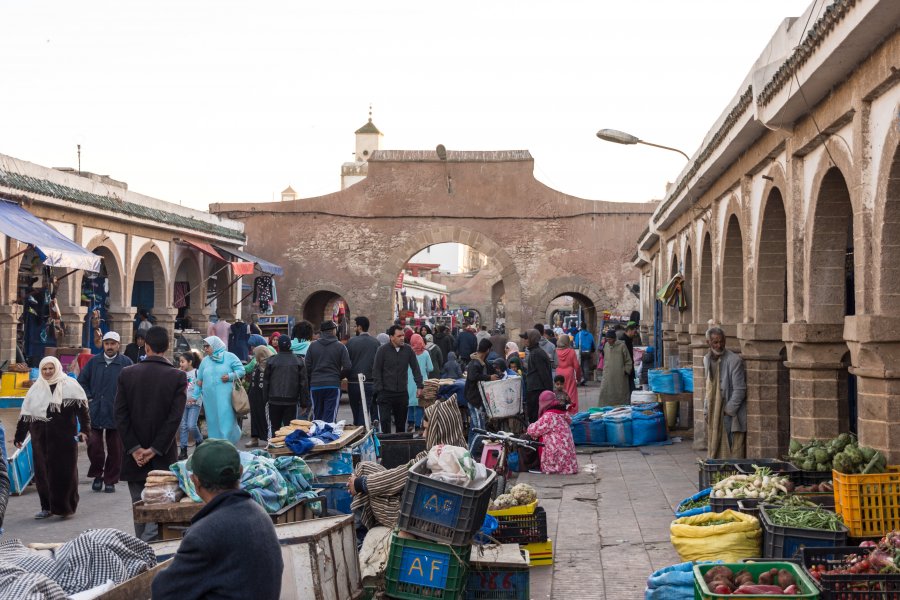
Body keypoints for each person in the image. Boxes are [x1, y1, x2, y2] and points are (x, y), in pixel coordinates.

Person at [151, 440, 283, 600]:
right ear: (240, 472)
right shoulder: (259, 514)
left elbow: (163, 591)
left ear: (195, 481)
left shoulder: (204, 534)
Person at [347, 398, 465, 530]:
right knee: (365, 469)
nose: (424, 434)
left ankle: (359, 531)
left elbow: (396, 478)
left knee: (366, 485)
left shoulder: (434, 458)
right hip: (429, 511)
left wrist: (359, 484)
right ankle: (359, 525)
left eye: (427, 429)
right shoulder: (462, 453)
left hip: (414, 518)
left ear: (438, 430)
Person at [115, 326, 187, 540]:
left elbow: (120, 415)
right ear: (167, 347)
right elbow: (174, 419)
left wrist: (135, 449)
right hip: (162, 456)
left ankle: (142, 549)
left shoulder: (128, 374)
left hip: (134, 457)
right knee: (161, 508)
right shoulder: (177, 377)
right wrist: (155, 449)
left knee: (140, 507)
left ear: (146, 346)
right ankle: (152, 550)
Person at [14, 356, 90, 518]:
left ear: (56, 368)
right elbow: (26, 415)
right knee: (42, 473)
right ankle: (46, 507)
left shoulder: (70, 385)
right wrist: (19, 436)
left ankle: (65, 507)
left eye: (50, 368)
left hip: (64, 437)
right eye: (44, 369)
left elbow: (82, 412)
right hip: (40, 437)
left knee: (65, 472)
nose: (48, 372)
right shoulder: (36, 388)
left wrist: (84, 430)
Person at [78, 330, 132, 493]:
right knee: (94, 445)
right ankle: (97, 475)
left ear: (118, 345)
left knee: (115, 449)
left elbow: (132, 385)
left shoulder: (126, 363)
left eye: (112, 344)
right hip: (94, 411)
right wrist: (89, 397)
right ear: (103, 344)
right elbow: (82, 381)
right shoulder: (94, 362)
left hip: (116, 412)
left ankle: (110, 479)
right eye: (107, 343)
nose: (109, 347)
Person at [704, 326, 747, 459]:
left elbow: (740, 389)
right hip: (713, 411)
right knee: (714, 445)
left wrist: (727, 410)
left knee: (729, 447)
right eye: (715, 342)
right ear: (708, 343)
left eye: (721, 341)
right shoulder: (706, 359)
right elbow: (708, 387)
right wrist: (707, 409)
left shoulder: (734, 360)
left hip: (727, 413)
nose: (719, 345)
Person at [372, 325, 423, 434]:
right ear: (391, 337)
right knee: (385, 422)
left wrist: (419, 386)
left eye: (403, 335)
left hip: (401, 393)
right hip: (385, 393)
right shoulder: (382, 350)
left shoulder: (408, 350)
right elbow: (376, 371)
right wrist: (380, 389)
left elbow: (416, 368)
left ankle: (400, 448)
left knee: (401, 424)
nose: (402, 338)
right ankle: (386, 448)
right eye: (399, 336)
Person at [195, 336, 244, 444]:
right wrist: (195, 396)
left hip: (225, 396)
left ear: (215, 345)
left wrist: (230, 376)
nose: (205, 349)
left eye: (208, 346)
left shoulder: (230, 357)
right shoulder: (205, 361)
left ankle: (227, 445)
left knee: (226, 420)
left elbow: (241, 370)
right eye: (204, 347)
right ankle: (216, 445)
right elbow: (199, 380)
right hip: (209, 398)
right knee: (213, 421)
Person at [304, 321, 351, 423]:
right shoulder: (340, 347)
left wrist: (314, 377)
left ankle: (317, 437)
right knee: (330, 417)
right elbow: (347, 367)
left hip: (316, 385)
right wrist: (338, 377)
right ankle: (328, 437)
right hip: (332, 385)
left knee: (317, 416)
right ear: (334, 331)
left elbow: (307, 367)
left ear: (321, 332)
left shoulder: (312, 346)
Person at [264, 335, 310, 436]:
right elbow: (303, 384)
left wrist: (265, 399)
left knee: (275, 428)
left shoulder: (271, 360)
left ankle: (275, 448)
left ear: (278, 345)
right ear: (290, 345)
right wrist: (304, 403)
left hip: (274, 399)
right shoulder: (298, 361)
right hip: (291, 400)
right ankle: (287, 448)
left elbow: (266, 382)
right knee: (290, 428)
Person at [525, 390, 578, 474]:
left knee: (528, 438)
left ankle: (532, 465)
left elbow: (532, 430)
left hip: (558, 462)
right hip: (569, 463)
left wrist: (531, 429)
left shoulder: (549, 416)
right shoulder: (560, 412)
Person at [346, 316, 380, 427]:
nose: (354, 328)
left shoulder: (351, 342)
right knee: (364, 411)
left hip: (353, 382)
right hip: (369, 381)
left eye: (355, 326)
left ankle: (358, 430)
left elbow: (346, 362)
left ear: (360, 327)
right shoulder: (375, 343)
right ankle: (362, 430)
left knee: (356, 411)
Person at [465, 339, 499, 445]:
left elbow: (491, 370)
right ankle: (477, 452)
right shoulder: (474, 363)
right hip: (474, 399)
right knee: (480, 428)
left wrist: (499, 373)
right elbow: (472, 376)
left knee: (474, 427)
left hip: (476, 398)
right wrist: (489, 377)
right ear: (487, 350)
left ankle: (471, 451)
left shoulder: (483, 363)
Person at [245, 344, 274, 448]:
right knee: (254, 418)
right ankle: (254, 439)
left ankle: (269, 440)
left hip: (264, 396)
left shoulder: (270, 364)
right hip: (254, 395)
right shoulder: (257, 364)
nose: (254, 356)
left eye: (255, 354)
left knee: (265, 418)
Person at [178, 352, 204, 460]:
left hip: (195, 404)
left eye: (183, 361)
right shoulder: (180, 374)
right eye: (180, 361)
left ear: (190, 362)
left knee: (191, 425)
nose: (181, 364)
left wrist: (195, 397)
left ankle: (199, 441)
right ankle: (183, 450)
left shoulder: (197, 372)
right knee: (183, 426)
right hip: (183, 404)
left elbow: (201, 387)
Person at [523, 329, 553, 423]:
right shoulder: (534, 352)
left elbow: (544, 374)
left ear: (531, 339)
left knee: (535, 417)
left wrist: (549, 393)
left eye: (526, 338)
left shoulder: (537, 353)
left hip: (537, 391)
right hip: (534, 390)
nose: (524, 340)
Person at [598, 329, 633, 407]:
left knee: (620, 395)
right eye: (607, 339)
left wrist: (625, 371)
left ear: (614, 338)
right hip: (608, 375)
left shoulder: (622, 345)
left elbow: (628, 361)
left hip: (620, 376)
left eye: (610, 339)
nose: (608, 341)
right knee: (605, 393)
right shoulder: (606, 345)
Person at [407, 334, 434, 432]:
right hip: (422, 381)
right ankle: (418, 426)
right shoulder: (426, 353)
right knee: (419, 404)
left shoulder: (409, 352)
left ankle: (410, 423)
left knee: (410, 403)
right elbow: (431, 368)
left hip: (410, 380)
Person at [554, 334, 582, 413]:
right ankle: (572, 412)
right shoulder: (571, 351)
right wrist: (579, 378)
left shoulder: (556, 351)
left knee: (559, 392)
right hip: (569, 374)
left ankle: (560, 411)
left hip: (558, 372)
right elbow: (576, 366)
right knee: (571, 394)